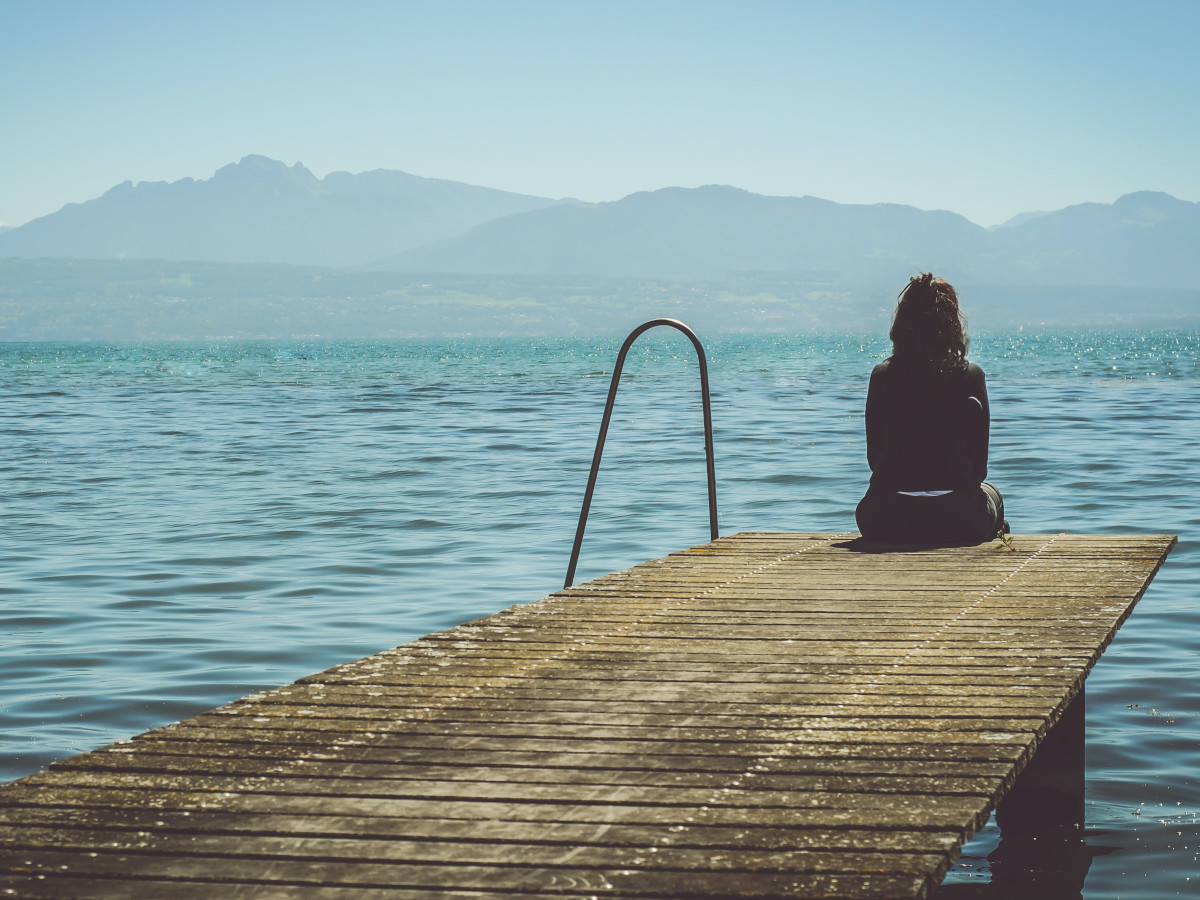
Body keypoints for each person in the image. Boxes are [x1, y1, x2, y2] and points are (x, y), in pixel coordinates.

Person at [855, 272, 1007, 544]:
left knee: (868, 504)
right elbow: (979, 470)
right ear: (952, 325)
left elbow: (874, 460)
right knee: (992, 492)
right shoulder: (971, 376)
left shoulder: (881, 377)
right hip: (959, 519)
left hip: (886, 518)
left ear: (902, 324)